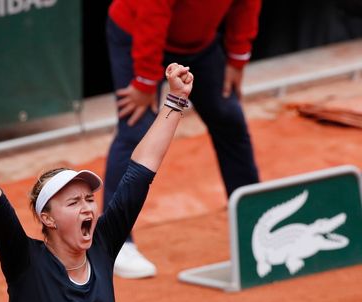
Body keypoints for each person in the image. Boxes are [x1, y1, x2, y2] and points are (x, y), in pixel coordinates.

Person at [0, 63, 193, 302]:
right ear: (47, 218)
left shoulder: (102, 245)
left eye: (88, 198)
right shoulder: (26, 261)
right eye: (73, 202)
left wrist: (176, 100)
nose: (87, 207)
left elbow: (141, 170)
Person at [105, 0, 262, 279]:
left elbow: (247, 4)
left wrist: (238, 57)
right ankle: (114, 243)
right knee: (135, 129)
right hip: (137, 31)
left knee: (229, 118)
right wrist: (144, 80)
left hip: (198, 46)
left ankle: (255, 221)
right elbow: (152, 12)